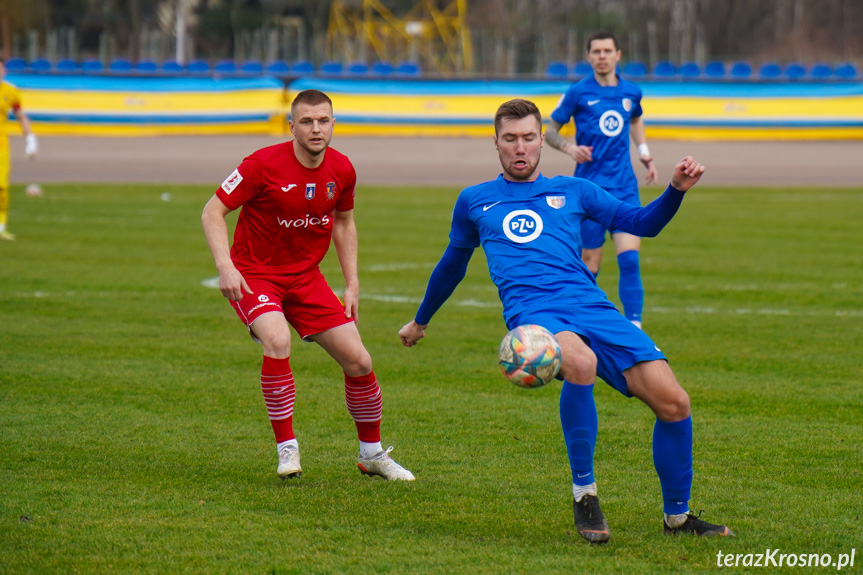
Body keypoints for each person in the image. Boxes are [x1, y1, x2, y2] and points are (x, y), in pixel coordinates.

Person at [398, 99, 732, 542]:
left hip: (592, 306)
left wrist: (675, 189)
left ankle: (678, 518)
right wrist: (420, 321)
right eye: (510, 138)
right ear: (495, 142)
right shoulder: (474, 201)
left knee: (675, 402)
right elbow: (452, 265)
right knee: (581, 364)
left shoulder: (576, 191)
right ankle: (585, 494)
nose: (520, 147)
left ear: (542, 141)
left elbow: (640, 223)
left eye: (529, 138)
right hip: (534, 312)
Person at [202, 89, 414, 481]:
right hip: (257, 275)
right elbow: (212, 211)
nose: (316, 129)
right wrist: (226, 267)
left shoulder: (342, 169)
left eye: (323, 121)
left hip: (306, 278)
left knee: (360, 360)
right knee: (277, 340)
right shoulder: (260, 165)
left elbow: (344, 222)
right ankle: (287, 449)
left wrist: (351, 284)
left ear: (333, 123)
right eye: (307, 122)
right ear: (292, 126)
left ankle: (371, 454)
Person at [544, 31, 657, 329]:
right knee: (589, 267)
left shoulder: (632, 92)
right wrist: (570, 148)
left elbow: (634, 119)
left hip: (623, 189)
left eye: (608, 51)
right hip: (589, 192)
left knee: (630, 260)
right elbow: (550, 130)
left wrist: (644, 152)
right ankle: (584, 324)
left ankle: (635, 327)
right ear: (588, 57)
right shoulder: (577, 92)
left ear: (618, 55)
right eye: (596, 51)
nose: (602, 56)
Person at [0, 57, 39, 240]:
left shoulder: (11, 92)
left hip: (1, 147)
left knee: (1, 187)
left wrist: (31, 140)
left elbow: (21, 117)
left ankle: (0, 227)